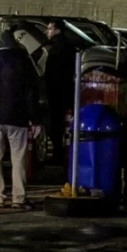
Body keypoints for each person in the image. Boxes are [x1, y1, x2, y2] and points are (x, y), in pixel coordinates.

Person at [0, 30, 40, 209]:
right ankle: (19, 197)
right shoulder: (23, 61)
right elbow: (31, 92)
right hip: (18, 117)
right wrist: (35, 119)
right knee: (18, 158)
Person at [44, 20, 77, 166]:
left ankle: (57, 154)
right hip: (67, 89)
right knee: (67, 123)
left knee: (55, 123)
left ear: (57, 30)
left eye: (50, 28)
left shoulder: (54, 48)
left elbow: (51, 72)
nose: (47, 31)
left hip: (55, 90)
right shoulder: (70, 46)